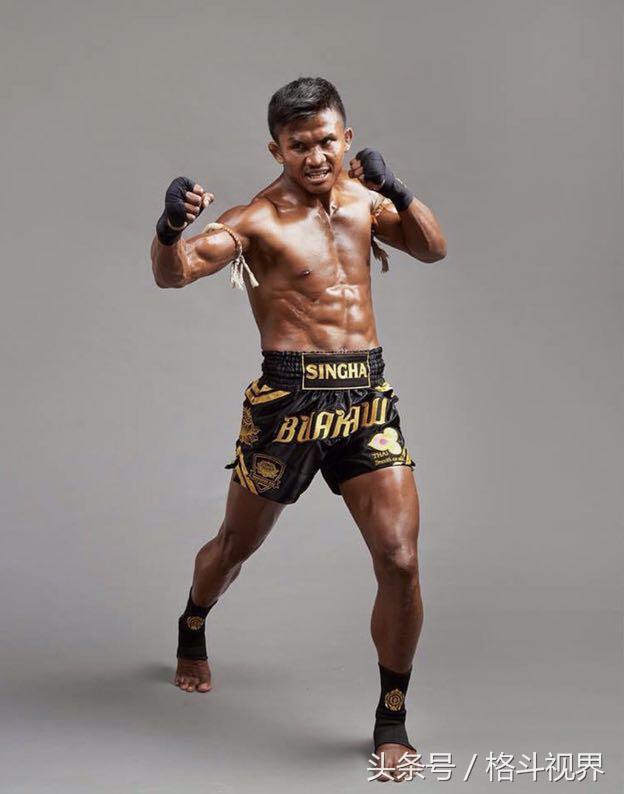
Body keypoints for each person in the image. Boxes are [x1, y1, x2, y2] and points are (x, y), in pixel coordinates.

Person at [149, 76, 446, 782]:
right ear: (276, 150)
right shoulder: (257, 219)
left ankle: (392, 718)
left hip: (366, 399)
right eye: (298, 145)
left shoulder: (367, 202)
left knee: (400, 560)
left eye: (325, 141)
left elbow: (432, 248)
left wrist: (398, 188)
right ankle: (193, 620)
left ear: (346, 137)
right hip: (287, 403)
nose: (315, 157)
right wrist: (168, 229)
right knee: (236, 545)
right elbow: (175, 274)